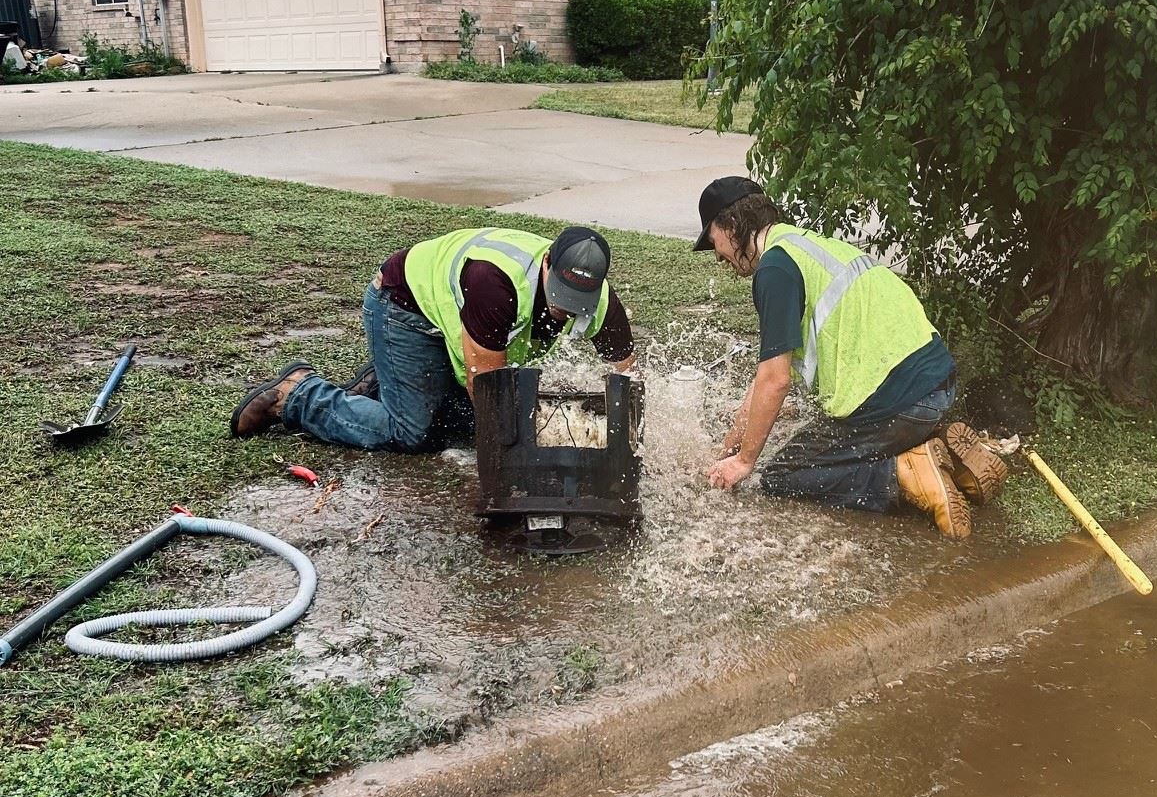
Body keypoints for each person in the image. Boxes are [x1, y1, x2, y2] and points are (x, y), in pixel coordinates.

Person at [693, 177, 1005, 539]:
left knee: (782, 475)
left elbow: (775, 382)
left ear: (731, 225)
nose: (718, 255)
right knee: (819, 451)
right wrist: (727, 449)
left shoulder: (775, 271)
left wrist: (745, 462)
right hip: (936, 386)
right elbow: (765, 377)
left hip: (898, 401)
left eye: (713, 240)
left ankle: (903, 474)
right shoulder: (804, 246)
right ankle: (934, 445)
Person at [229, 224, 636, 450]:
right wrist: (525, 449)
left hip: (458, 324)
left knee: (460, 420)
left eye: (577, 302)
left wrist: (622, 435)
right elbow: (487, 388)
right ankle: (299, 395)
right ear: (547, 261)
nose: (564, 309)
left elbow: (628, 377)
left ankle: (388, 379)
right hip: (403, 307)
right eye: (560, 296)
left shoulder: (603, 302)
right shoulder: (494, 281)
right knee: (413, 433)